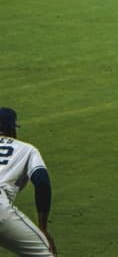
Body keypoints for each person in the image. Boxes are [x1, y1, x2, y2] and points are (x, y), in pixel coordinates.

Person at [0, 107, 57, 256]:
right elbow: (42, 182)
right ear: (12, 129)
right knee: (46, 253)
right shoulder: (26, 149)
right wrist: (43, 228)